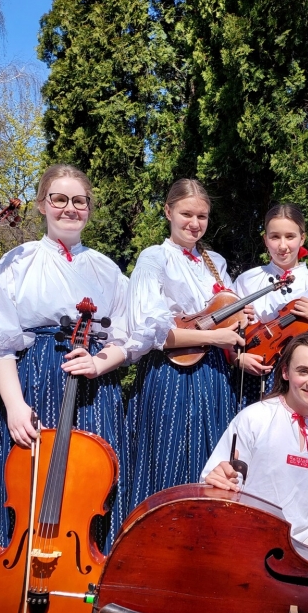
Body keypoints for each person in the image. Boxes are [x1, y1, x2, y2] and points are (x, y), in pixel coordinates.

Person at [0, 164, 133, 554]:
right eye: (58, 199)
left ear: (89, 208)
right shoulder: (17, 261)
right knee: (25, 477)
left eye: (79, 201)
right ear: (42, 205)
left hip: (93, 387)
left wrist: (101, 362)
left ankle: (89, 571)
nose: (69, 209)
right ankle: (11, 575)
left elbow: (128, 338)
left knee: (93, 482)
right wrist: (13, 406)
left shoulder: (107, 269)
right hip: (30, 378)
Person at [123, 179, 242, 516]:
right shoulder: (154, 258)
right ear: (168, 212)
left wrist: (238, 320)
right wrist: (215, 338)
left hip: (214, 376)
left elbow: (226, 321)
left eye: (202, 216)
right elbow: (155, 334)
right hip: (171, 374)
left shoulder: (214, 261)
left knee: (210, 461)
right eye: (186, 213)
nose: (194, 223)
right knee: (167, 457)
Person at [202, 331, 308, 550]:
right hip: (246, 538)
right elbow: (216, 481)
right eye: (303, 371)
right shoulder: (254, 418)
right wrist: (218, 481)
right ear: (285, 372)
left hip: (303, 542)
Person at [231, 204, 308, 404]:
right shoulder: (247, 280)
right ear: (265, 240)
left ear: (302, 238)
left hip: (300, 380)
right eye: (275, 237)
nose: (282, 245)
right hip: (252, 375)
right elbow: (230, 334)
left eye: (290, 237)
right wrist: (237, 358)